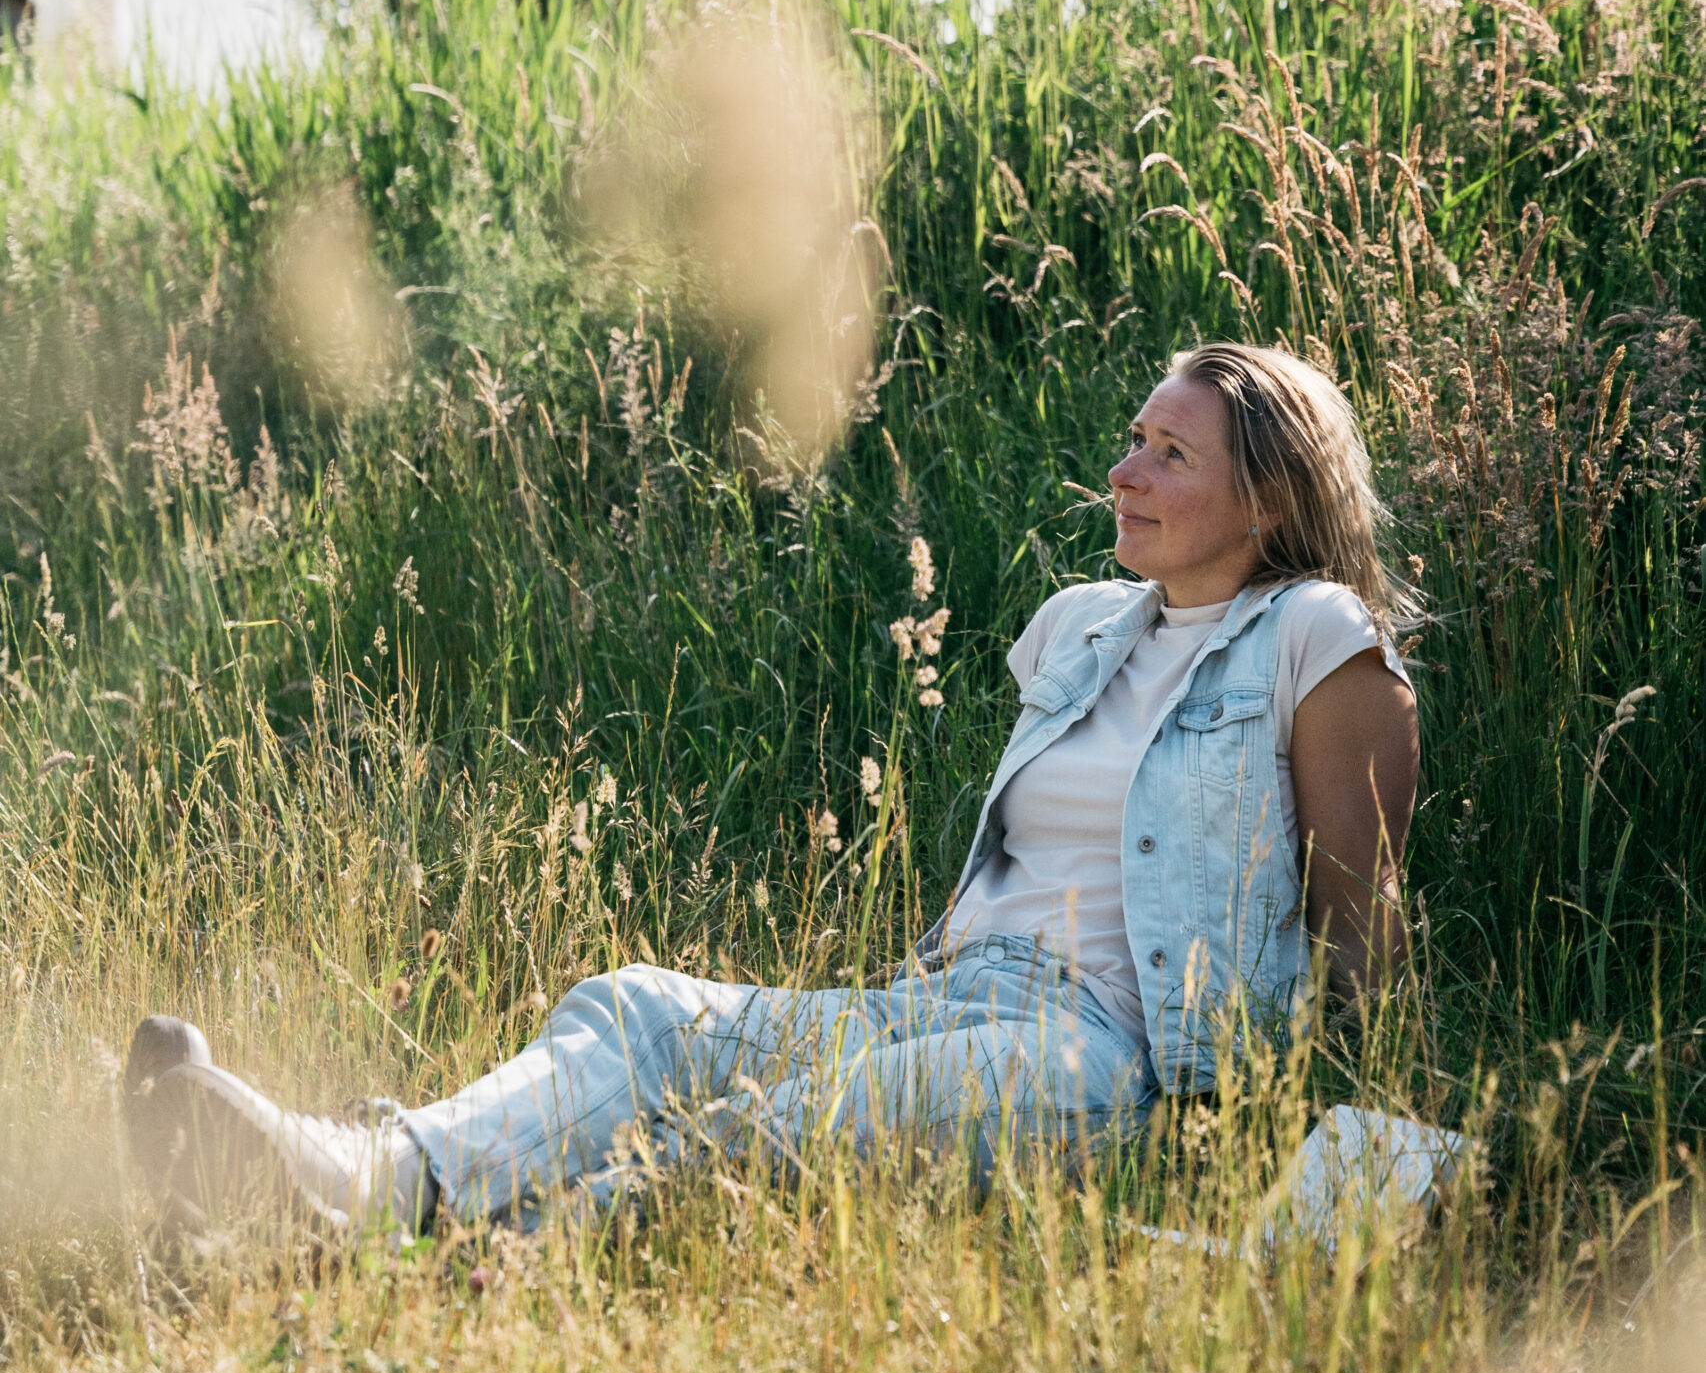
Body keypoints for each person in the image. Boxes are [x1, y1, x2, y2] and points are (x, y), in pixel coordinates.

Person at [124, 341, 1420, 1236]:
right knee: (637, 1010)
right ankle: (370, 1181)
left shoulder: (1314, 636)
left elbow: (1355, 924)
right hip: (948, 998)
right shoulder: (1076, 627)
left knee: (793, 1119)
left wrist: (1272, 1125)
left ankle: (476, 1240)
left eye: (1170, 455)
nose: (1124, 472)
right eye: (1133, 440)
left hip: (1111, 1054)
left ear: (1267, 498)